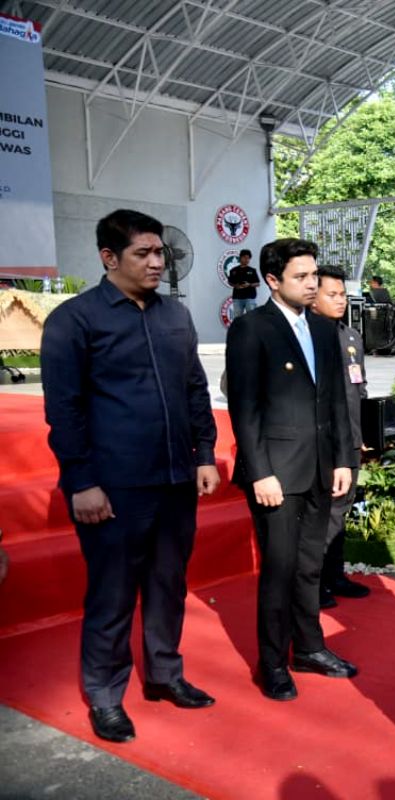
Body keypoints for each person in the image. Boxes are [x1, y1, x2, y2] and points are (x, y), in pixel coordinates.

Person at [41, 209, 221, 743]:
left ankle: (165, 675)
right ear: (108, 258)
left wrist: (205, 453)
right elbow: (64, 410)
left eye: (160, 253)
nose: (157, 263)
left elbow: (194, 388)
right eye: (143, 253)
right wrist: (81, 481)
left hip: (174, 480)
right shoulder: (75, 320)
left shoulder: (175, 318)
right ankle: (104, 695)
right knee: (113, 594)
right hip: (113, 486)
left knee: (169, 586)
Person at [225, 238, 356, 702]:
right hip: (276, 475)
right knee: (279, 571)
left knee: (309, 566)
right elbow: (245, 408)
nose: (311, 283)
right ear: (273, 280)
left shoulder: (322, 330)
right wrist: (260, 471)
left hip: (321, 468)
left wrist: (343, 458)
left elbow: (336, 400)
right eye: (301, 276)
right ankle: (274, 662)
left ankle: (311, 649)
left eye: (314, 275)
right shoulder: (251, 330)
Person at [310, 266, 372, 609]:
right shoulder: (308, 337)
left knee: (342, 509)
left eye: (343, 295)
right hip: (322, 442)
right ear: (313, 298)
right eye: (331, 295)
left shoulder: (350, 336)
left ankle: (335, 574)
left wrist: (362, 434)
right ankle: (314, 583)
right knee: (323, 513)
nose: (340, 301)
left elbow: (357, 389)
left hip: (350, 438)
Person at [228, 249, 260, 319]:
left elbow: (257, 283)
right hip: (237, 298)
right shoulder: (233, 270)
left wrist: (249, 284)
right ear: (240, 258)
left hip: (250, 297)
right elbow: (230, 282)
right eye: (245, 258)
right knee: (238, 319)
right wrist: (236, 286)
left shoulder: (252, 270)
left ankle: (252, 330)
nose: (247, 260)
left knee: (252, 318)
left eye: (248, 258)